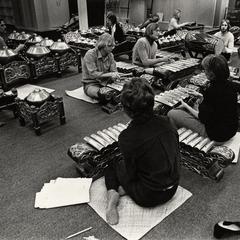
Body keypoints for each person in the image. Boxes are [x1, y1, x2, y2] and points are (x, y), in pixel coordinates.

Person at [105, 77, 180, 225]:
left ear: (126, 109)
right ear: (152, 102)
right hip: (173, 189)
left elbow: (132, 174)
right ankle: (126, 189)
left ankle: (112, 195)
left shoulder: (126, 137)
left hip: (147, 196)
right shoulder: (168, 121)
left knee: (113, 163)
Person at [167, 54, 238, 142]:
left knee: (172, 113)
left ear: (211, 73)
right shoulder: (231, 85)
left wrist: (185, 106)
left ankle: (181, 142)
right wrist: (201, 96)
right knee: (195, 106)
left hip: (217, 135)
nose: (204, 72)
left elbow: (203, 118)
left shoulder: (211, 91)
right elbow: (219, 105)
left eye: (205, 70)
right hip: (231, 130)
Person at [81, 33, 120, 99]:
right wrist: (110, 74)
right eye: (110, 46)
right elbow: (93, 74)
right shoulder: (90, 54)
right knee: (104, 95)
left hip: (106, 82)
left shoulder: (110, 55)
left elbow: (114, 70)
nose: (113, 48)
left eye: (113, 45)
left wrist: (115, 76)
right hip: (91, 83)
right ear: (102, 45)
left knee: (123, 91)